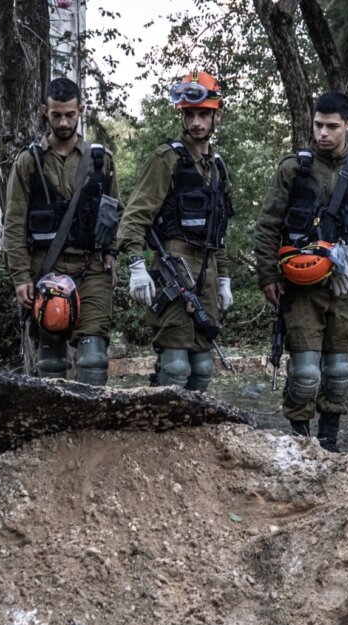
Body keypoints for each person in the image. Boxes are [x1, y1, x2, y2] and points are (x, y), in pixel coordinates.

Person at [252, 90, 348, 452]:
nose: (323, 133)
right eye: (318, 125)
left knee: (338, 371)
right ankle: (300, 442)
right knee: (306, 372)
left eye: (332, 126)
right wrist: (268, 275)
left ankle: (329, 443)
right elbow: (268, 224)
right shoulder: (293, 169)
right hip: (300, 288)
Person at [118, 71, 233, 392]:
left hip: (207, 272)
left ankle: (193, 435)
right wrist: (136, 264)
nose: (197, 122)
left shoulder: (217, 167)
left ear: (216, 116)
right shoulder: (166, 158)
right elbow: (136, 214)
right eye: (190, 114)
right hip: (173, 267)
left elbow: (218, 230)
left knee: (203, 368)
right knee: (176, 365)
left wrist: (224, 278)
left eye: (204, 114)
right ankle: (164, 434)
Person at [3, 77, 120, 385]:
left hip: (91, 268)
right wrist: (20, 277)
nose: (64, 122)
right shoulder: (29, 162)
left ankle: (89, 427)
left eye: (70, 114)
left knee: (93, 358)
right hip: (46, 269)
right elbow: (14, 224)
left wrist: (111, 252)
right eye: (56, 115)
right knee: (51, 359)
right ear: (45, 111)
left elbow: (113, 213)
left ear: (80, 109)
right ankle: (56, 430)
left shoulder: (101, 161)